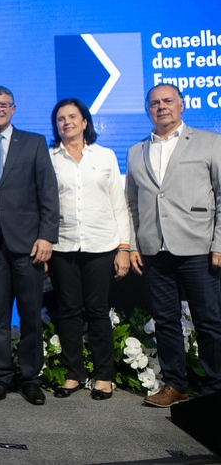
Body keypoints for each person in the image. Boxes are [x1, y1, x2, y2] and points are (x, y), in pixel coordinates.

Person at [0, 86, 59, 405]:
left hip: (29, 245)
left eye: (3, 104)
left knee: (31, 316)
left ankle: (31, 379)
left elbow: (48, 193)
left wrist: (47, 236)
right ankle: (1, 377)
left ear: (13, 109)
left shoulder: (34, 142)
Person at [126, 83, 221, 406]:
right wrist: (134, 245)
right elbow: (132, 204)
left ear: (182, 105)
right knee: (165, 321)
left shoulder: (209, 142)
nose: (161, 107)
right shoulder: (136, 151)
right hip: (154, 250)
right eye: (154, 103)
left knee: (208, 321)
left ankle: (215, 388)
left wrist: (219, 243)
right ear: (147, 110)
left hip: (199, 247)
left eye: (168, 101)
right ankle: (175, 385)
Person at [47, 98, 130, 400]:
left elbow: (118, 203)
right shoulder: (49, 158)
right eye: (60, 119)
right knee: (67, 311)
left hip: (101, 244)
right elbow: (42, 205)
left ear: (84, 122)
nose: (66, 122)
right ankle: (74, 374)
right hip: (62, 245)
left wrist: (124, 247)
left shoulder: (105, 155)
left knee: (97, 310)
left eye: (72, 116)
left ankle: (104, 376)